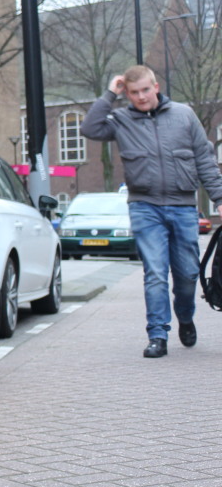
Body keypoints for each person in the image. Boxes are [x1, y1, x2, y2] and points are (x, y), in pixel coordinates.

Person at [80, 65, 222, 358]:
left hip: (183, 206)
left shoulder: (184, 115)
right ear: (127, 93)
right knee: (155, 272)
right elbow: (90, 128)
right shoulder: (120, 120)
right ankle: (158, 334)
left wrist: (219, 197)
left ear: (155, 87)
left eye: (146, 90)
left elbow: (205, 160)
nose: (141, 97)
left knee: (187, 274)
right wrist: (110, 93)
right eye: (134, 92)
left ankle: (185, 315)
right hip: (145, 206)